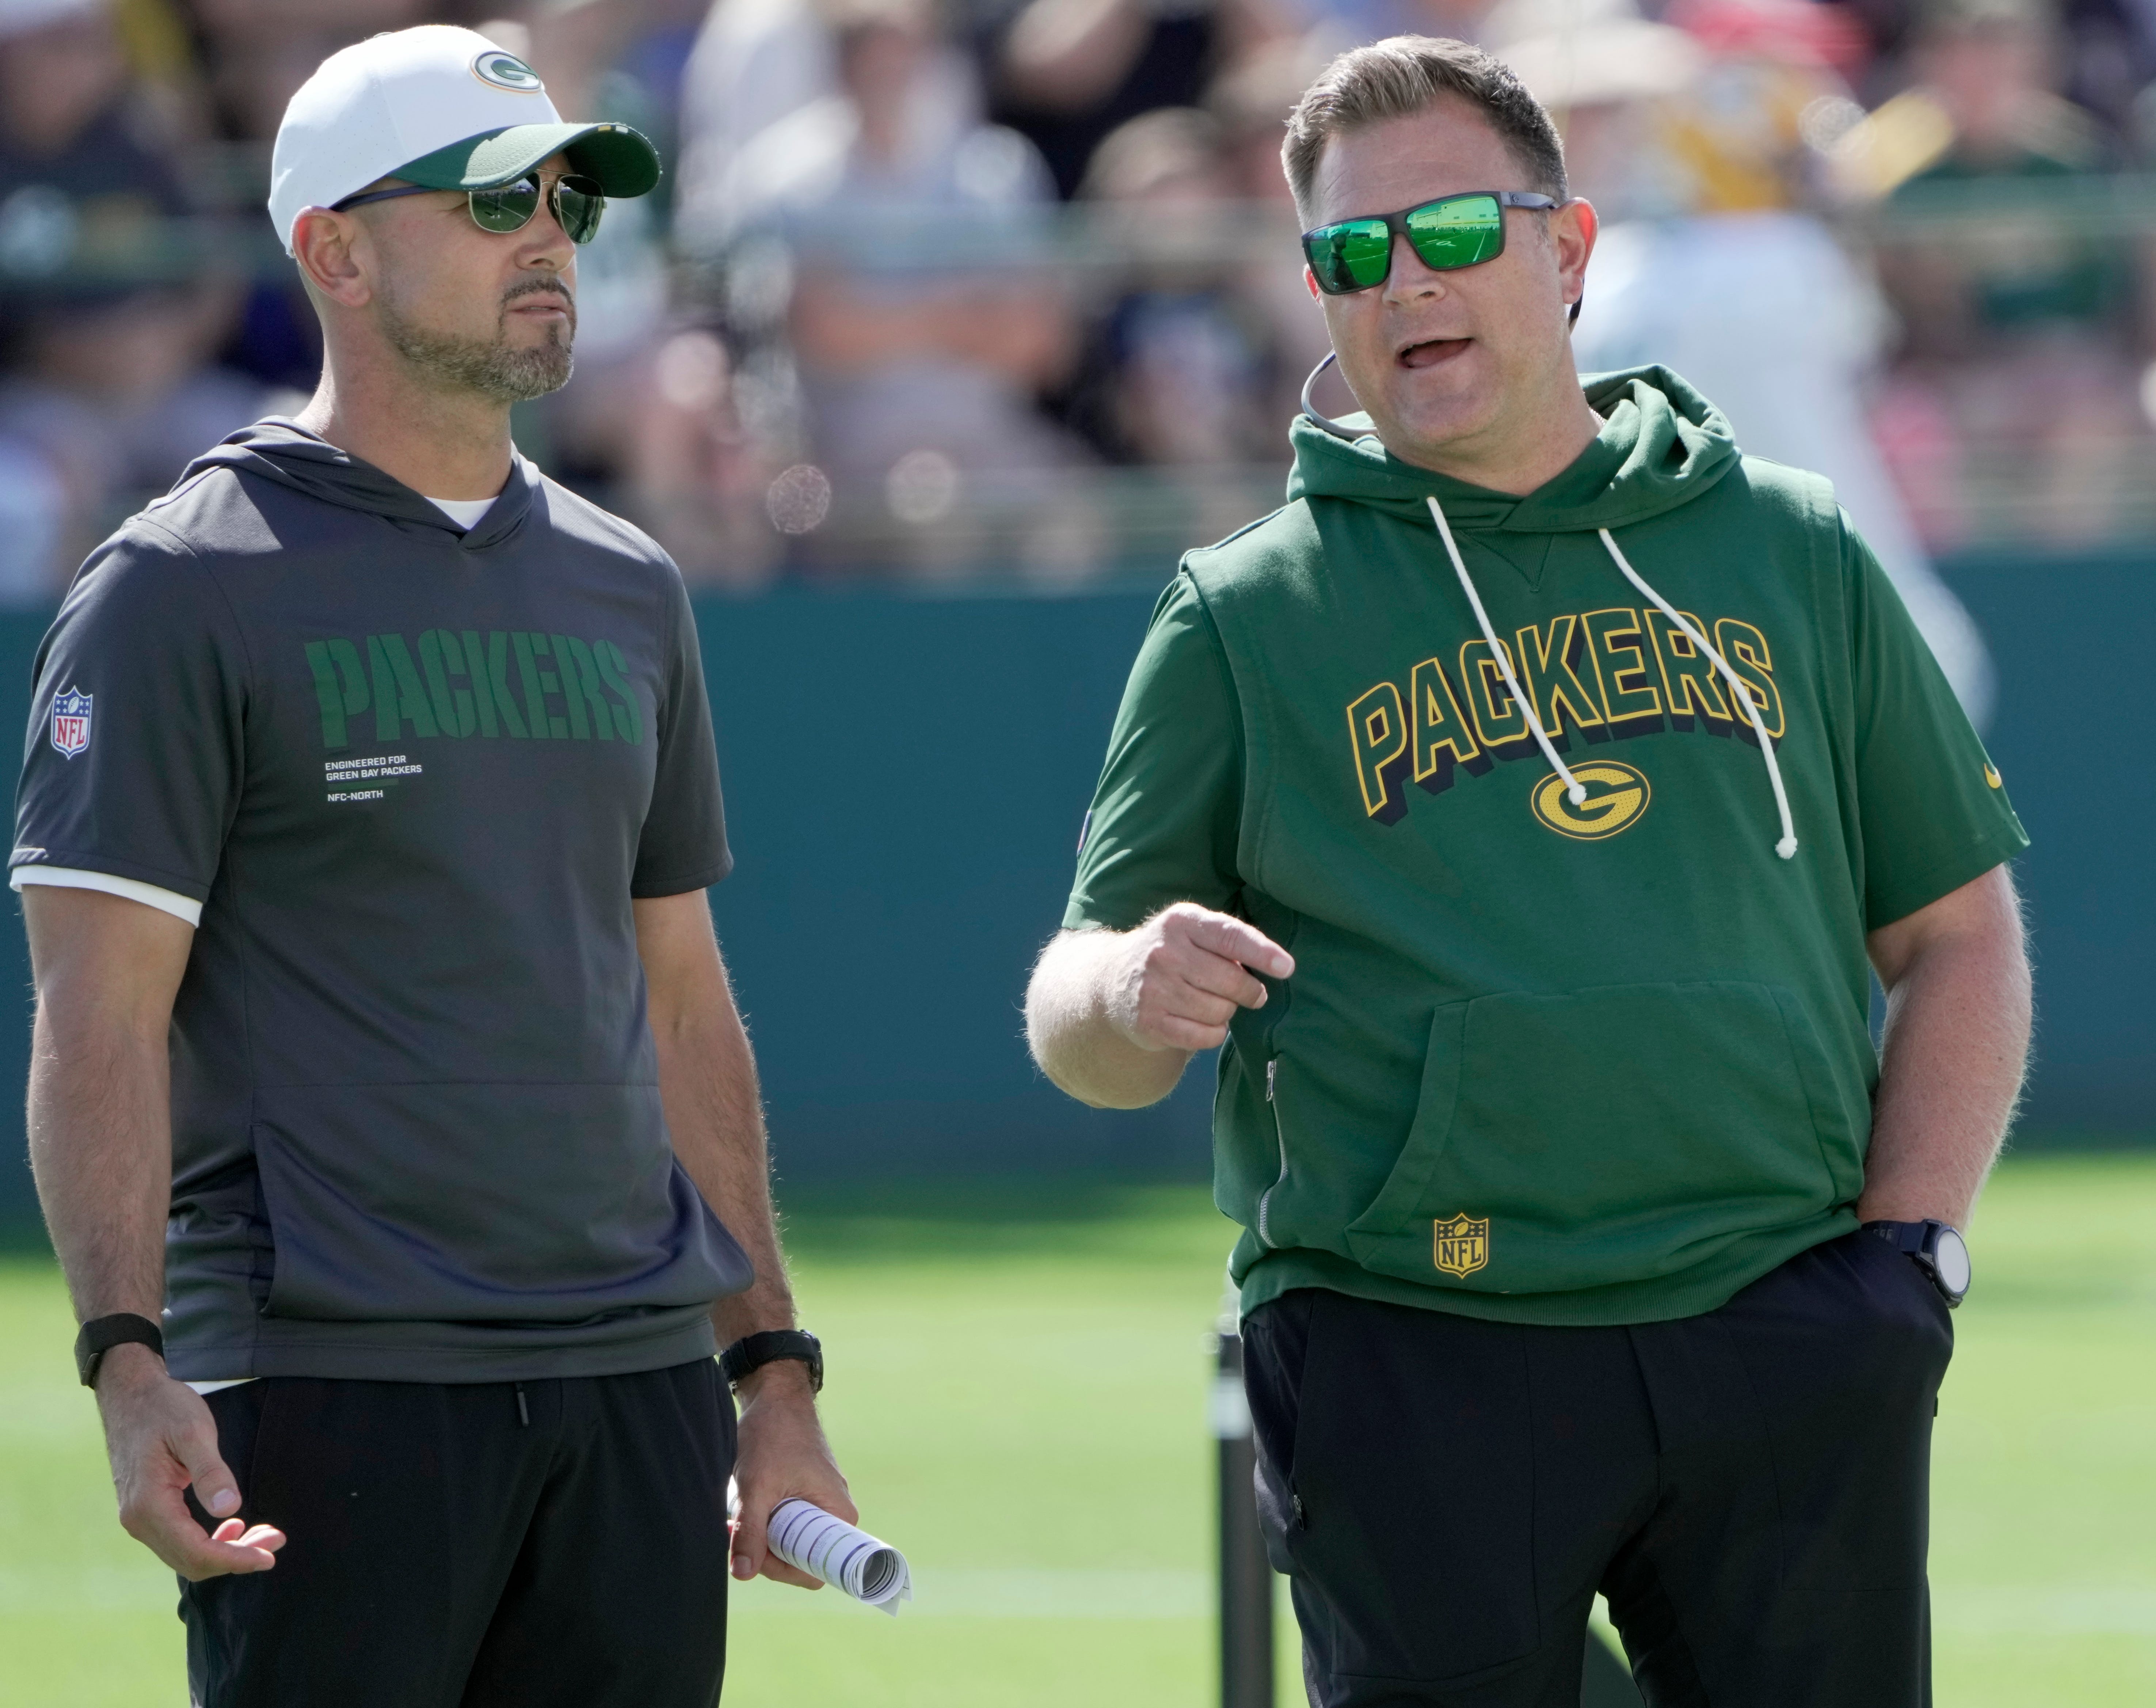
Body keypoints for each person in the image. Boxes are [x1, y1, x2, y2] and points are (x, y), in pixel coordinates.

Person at [1024, 35, 2032, 1707]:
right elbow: (1079, 1015)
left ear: (1565, 252)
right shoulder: (1246, 613)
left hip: (1786, 1325)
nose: (1404, 281)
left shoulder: (1788, 543)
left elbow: (1959, 930)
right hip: (1411, 1348)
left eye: (1452, 233)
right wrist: (1131, 987)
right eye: (1355, 253)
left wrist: (1909, 1260)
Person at [15, 25, 850, 1708]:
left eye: (562, 195)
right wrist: (124, 1363)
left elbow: (682, 1004)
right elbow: (95, 1020)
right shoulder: (179, 585)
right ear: (332, 249)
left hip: (632, 1389)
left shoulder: (629, 582)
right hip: (333, 1387)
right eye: (489, 200)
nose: (546, 233)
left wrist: (768, 1370)